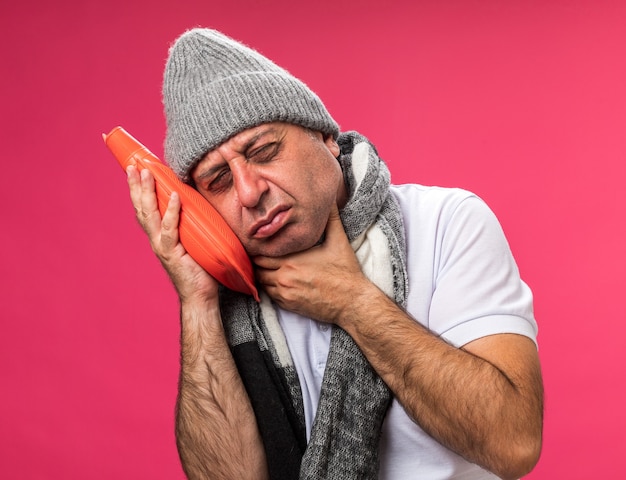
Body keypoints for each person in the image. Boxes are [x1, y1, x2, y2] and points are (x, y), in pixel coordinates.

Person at [126, 28, 543, 480]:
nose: (249, 192)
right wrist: (198, 303)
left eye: (265, 151)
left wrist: (354, 302)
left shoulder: (447, 222)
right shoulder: (228, 289)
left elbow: (513, 444)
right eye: (219, 181)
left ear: (325, 137)